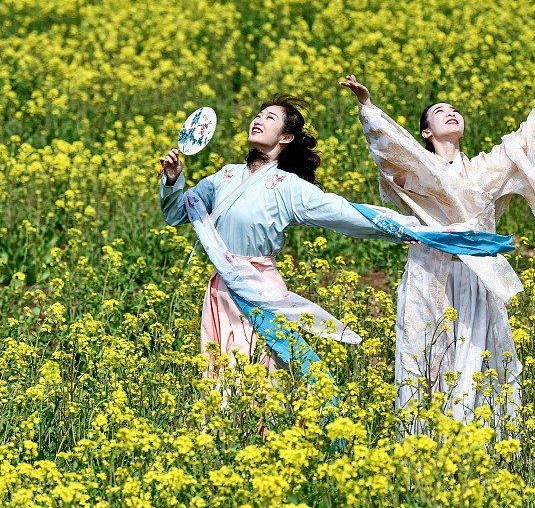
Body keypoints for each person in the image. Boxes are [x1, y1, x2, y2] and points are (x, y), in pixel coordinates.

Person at [340, 68, 535, 426]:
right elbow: (391, 151)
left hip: (477, 276)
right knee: (429, 353)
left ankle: (481, 437)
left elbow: (525, 140)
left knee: (480, 354)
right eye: (440, 111)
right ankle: (428, 439)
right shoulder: (420, 167)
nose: (451, 113)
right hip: (430, 273)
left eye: (454, 110)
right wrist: (367, 105)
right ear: (426, 133)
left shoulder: (482, 170)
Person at [159, 94, 513, 389]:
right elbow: (178, 213)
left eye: (270, 118)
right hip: (220, 290)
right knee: (217, 373)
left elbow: (344, 212)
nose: (258, 120)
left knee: (257, 378)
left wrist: (412, 229)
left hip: (258, 289)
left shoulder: (288, 187)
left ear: (285, 138)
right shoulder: (224, 176)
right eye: (258, 115)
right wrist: (174, 179)